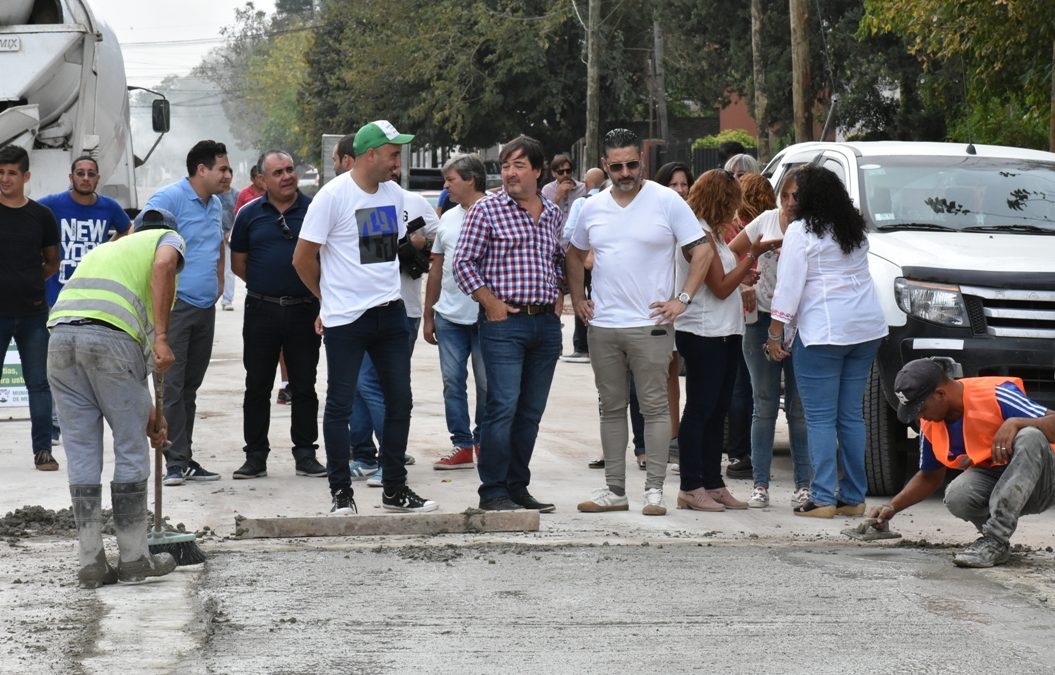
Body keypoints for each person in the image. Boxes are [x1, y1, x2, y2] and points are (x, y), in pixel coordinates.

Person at [294, 119, 437, 515]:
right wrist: (327, 299)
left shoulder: (393, 194)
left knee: (400, 402)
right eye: (393, 155)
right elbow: (302, 258)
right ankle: (342, 493)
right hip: (346, 320)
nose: (397, 163)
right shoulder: (332, 197)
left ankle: (394, 489)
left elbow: (380, 253)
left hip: (390, 313)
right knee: (340, 405)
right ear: (370, 154)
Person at [568, 129, 713, 516]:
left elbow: (702, 251)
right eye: (617, 167)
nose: (625, 173)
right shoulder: (592, 207)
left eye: (632, 164)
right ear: (605, 166)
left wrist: (682, 299)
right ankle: (615, 490)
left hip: (651, 325)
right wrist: (578, 298)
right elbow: (575, 253)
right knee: (610, 408)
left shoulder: (666, 201)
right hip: (604, 326)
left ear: (642, 162)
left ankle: (654, 492)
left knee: (655, 408)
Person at [47, 208, 184, 587]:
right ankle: (135, 559)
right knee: (130, 448)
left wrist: (151, 413)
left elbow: (132, 367)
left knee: (81, 451)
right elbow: (164, 264)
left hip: (60, 342)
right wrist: (162, 337)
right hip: (109, 342)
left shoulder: (109, 250)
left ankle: (91, 563)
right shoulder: (165, 240)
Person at [767, 164, 888, 517]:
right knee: (850, 416)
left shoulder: (801, 231)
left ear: (809, 199)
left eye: (797, 195)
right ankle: (853, 497)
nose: (792, 201)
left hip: (823, 331)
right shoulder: (854, 228)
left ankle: (821, 497)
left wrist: (774, 334)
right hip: (865, 329)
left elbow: (788, 288)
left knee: (820, 418)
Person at [453, 135, 564, 513]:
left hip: (545, 326)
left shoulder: (552, 213)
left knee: (530, 413)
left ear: (538, 171)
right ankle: (493, 492)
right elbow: (463, 263)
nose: (510, 173)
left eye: (519, 165)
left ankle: (518, 487)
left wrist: (558, 294)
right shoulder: (486, 209)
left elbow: (556, 259)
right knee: (502, 407)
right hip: (504, 326)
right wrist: (491, 303)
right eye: (505, 166)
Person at [873, 358, 1055, 568]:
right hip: (1004, 482)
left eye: (921, 409)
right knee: (957, 495)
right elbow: (929, 476)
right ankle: (996, 545)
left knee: (1030, 435)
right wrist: (892, 507)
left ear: (940, 394)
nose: (921, 417)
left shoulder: (996, 396)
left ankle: (995, 539)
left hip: (1045, 481)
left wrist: (1016, 422)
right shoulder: (931, 424)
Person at [229, 150, 327, 480]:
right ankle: (255, 456)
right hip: (261, 311)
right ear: (262, 180)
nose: (287, 176)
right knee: (257, 384)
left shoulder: (314, 210)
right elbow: (239, 264)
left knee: (304, 385)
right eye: (278, 172)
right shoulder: (248, 214)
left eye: (289, 169)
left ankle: (306, 453)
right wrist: (268, 287)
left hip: (305, 310)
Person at [674, 169, 766, 512]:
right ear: (720, 200)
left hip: (724, 331)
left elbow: (726, 281)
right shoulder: (698, 234)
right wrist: (751, 256)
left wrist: (744, 273)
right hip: (702, 331)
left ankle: (713, 483)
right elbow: (720, 287)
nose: (734, 211)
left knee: (717, 411)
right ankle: (690, 486)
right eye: (731, 203)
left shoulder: (714, 233)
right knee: (700, 409)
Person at [345, 153, 439, 487]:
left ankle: (390, 459)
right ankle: (365, 456)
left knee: (376, 385)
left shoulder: (404, 200)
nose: (395, 166)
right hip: (359, 309)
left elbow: (436, 239)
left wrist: (420, 245)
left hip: (399, 310)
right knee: (359, 385)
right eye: (391, 158)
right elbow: (373, 259)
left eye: (397, 159)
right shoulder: (351, 199)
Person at [143, 139, 231, 486]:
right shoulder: (169, 199)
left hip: (204, 307)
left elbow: (216, 243)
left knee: (189, 388)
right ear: (202, 170)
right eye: (222, 169)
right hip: (175, 307)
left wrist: (219, 279)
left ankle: (183, 456)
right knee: (171, 387)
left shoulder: (215, 203)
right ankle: (174, 462)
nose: (227, 175)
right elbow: (141, 238)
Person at [729, 172, 812, 508]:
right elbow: (729, 254)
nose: (791, 203)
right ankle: (760, 484)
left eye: (798, 196)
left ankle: (804, 485)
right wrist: (742, 284)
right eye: (786, 195)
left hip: (802, 324)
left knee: (798, 409)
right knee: (763, 405)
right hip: (761, 320)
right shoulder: (765, 220)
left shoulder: (814, 227)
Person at [39, 155, 133, 446]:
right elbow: (29, 219)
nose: (85, 178)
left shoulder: (109, 207)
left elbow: (127, 229)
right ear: (71, 177)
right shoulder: (51, 204)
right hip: (57, 297)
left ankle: (86, 421)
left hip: (94, 299)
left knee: (87, 364)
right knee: (55, 364)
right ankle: (53, 426)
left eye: (91, 174)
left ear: (98, 178)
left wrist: (109, 249)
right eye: (80, 173)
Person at [422, 154, 489, 470]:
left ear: (470, 179)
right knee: (452, 382)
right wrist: (428, 315)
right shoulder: (447, 218)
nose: (445, 187)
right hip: (449, 317)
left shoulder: (496, 213)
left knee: (488, 384)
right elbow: (436, 269)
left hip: (487, 318)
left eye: (450, 180)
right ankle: (461, 444)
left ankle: (484, 441)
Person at [0, 145, 60, 470]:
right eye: (0, 172)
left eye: (12, 173)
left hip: (34, 314)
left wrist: (29, 281)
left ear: (26, 176)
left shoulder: (41, 216)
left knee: (38, 384)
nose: (5, 179)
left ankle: (43, 450)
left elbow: (52, 262)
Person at [721, 155, 762, 480]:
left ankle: (743, 451)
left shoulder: (764, 220)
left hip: (764, 310)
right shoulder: (726, 225)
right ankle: (739, 450)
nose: (740, 181)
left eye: (745, 175)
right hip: (737, 310)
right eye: (735, 175)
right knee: (740, 385)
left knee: (748, 387)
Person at [560, 166, 606, 365]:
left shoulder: (582, 202)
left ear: (586, 184)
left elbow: (569, 232)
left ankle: (582, 347)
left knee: (582, 299)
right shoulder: (610, 200)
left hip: (583, 256)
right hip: (603, 259)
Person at [540, 153, 587, 224]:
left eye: (568, 171)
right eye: (560, 172)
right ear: (553, 173)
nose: (565, 175)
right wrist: (558, 197)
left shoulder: (582, 188)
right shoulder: (547, 189)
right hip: (556, 229)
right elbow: (544, 216)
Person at [218, 180, 237, 311]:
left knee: (229, 270)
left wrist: (230, 232)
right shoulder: (214, 196)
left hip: (231, 237)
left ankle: (227, 299)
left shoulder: (236, 195)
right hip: (216, 237)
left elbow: (239, 215)